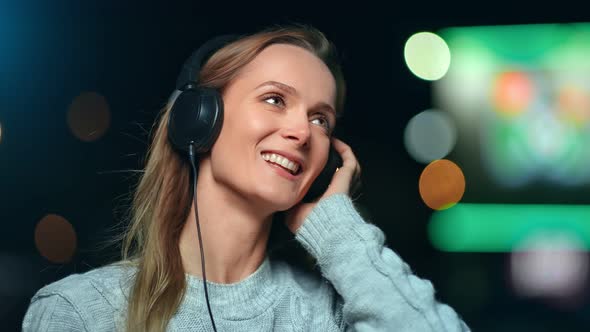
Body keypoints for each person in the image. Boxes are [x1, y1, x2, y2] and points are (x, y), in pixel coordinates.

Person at [22, 23, 471, 331]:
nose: (301, 132)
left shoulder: (332, 314)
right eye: (275, 99)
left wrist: (338, 231)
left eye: (321, 120)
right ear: (199, 119)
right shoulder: (80, 313)